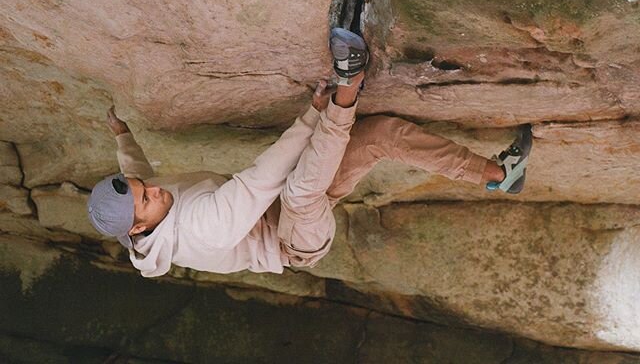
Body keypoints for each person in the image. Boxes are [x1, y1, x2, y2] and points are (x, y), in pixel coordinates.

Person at [87, 28, 532, 277]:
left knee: (380, 134)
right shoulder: (206, 228)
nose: (157, 189)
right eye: (148, 198)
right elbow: (265, 177)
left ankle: (498, 175)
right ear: (141, 225)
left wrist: (123, 136)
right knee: (300, 191)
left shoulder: (141, 213)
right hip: (294, 240)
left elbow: (136, 176)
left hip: (287, 202)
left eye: (144, 187)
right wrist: (312, 115)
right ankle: (348, 85)